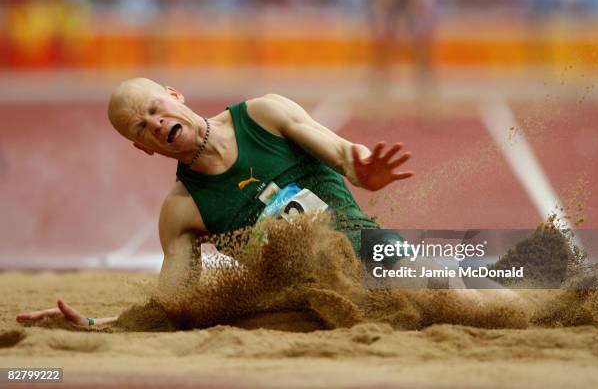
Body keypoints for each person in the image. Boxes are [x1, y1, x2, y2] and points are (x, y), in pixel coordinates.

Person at [16, 77, 415, 328]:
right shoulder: (182, 211)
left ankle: (474, 262)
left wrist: (364, 171)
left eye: (155, 109)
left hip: (368, 250)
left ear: (174, 95)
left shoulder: (264, 115)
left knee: (462, 291)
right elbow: (171, 307)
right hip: (309, 307)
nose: (155, 123)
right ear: (143, 147)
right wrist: (93, 323)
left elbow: (345, 154)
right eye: (142, 127)